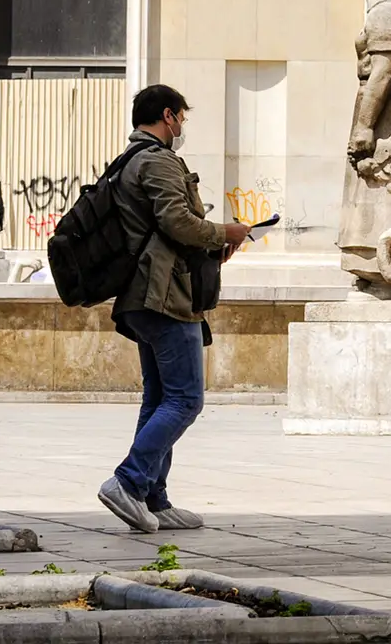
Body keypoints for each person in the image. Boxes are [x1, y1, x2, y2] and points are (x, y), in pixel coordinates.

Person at [97, 85, 251, 534]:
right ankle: (127, 482)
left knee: (160, 397)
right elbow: (176, 221)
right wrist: (227, 232)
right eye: (181, 117)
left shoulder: (130, 159)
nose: (182, 126)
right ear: (168, 115)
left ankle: (152, 497)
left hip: (145, 294)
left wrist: (211, 247)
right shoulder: (158, 160)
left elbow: (163, 232)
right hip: (165, 297)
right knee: (185, 399)